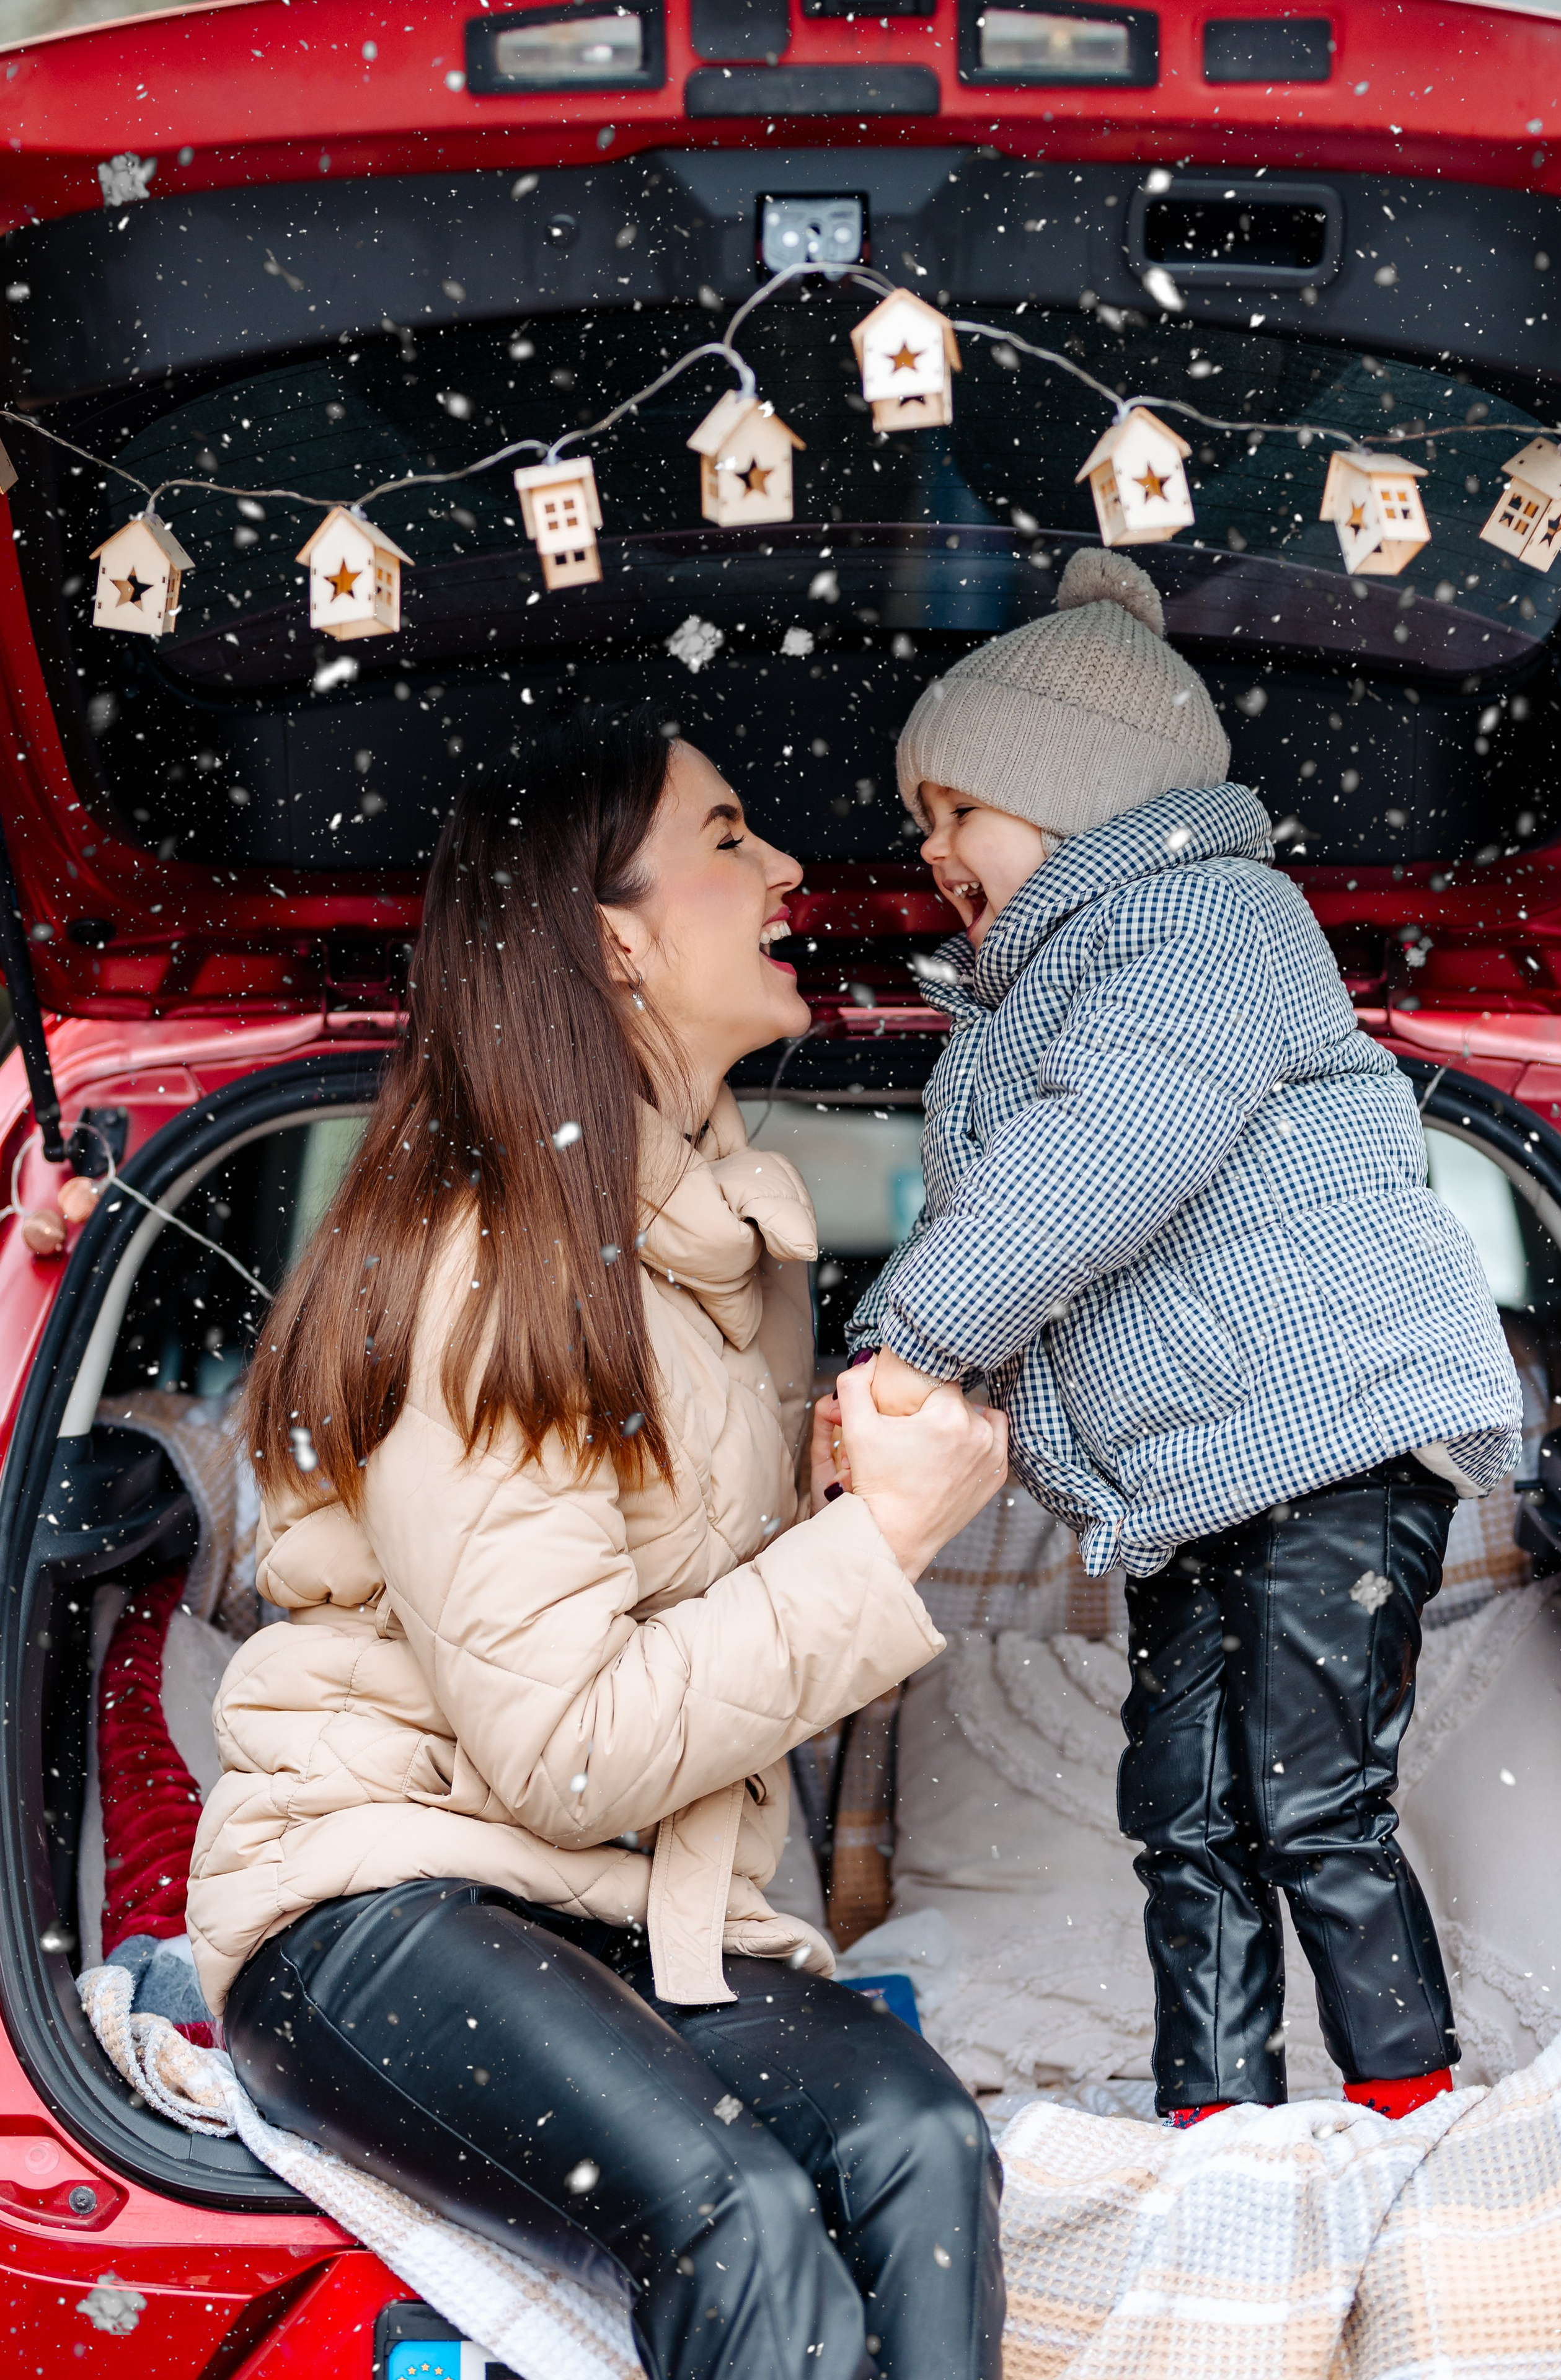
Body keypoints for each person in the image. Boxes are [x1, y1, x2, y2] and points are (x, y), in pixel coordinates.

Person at [188, 704, 1009, 2380]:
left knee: (922, 2147)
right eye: (729, 839)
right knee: (739, 2213)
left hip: (627, 1918)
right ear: (612, 941)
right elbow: (564, 1749)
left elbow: (683, 1632)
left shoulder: (718, 1250)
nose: (788, 870)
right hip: (375, 1906)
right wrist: (875, 1548)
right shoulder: (496, 1266)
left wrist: (844, 1505)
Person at [848, 548, 1523, 2127]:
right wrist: (907, 1364)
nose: (929, 847)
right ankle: (1210, 2120)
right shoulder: (1033, 999)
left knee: (1308, 1798)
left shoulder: (1209, 924)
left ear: (1074, 795)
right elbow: (1029, 1208)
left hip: (1330, 1434)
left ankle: (1404, 2105)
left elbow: (1099, 1157)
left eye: (957, 808)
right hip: (1199, 1475)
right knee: (1185, 1809)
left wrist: (909, 1344)